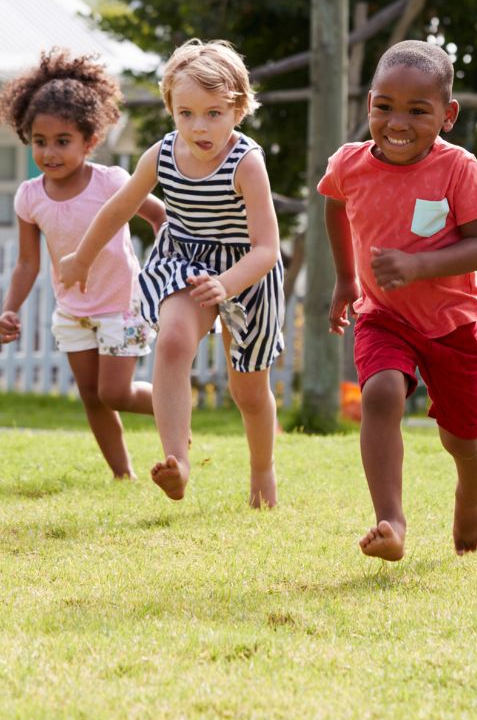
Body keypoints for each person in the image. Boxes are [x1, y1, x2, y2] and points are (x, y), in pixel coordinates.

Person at [58, 39, 284, 507]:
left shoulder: (247, 162)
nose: (198, 127)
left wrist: (228, 283)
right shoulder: (161, 155)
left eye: (214, 113)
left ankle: (262, 472)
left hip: (246, 272)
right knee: (174, 341)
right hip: (185, 260)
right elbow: (119, 207)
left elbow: (267, 248)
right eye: (186, 114)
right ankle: (176, 462)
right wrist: (82, 257)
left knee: (249, 392)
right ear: (171, 110)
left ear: (238, 109)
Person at [319, 40, 477, 561]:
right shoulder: (349, 164)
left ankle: (470, 498)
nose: (398, 122)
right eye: (384, 107)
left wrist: (417, 265)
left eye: (418, 111)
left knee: (462, 440)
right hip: (384, 316)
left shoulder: (458, 169)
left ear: (448, 115)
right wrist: (347, 279)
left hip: (451, 324)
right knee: (379, 395)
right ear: (369, 103)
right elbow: (334, 203)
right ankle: (390, 521)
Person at [0, 49, 164, 478]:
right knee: (92, 396)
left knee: (116, 392)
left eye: (62, 141)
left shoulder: (111, 181)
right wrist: (9, 309)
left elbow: (159, 215)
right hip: (72, 310)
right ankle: (121, 474)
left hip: (121, 305)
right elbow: (27, 264)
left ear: (89, 141)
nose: (49, 152)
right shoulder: (29, 197)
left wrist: (171, 264)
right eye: (39, 141)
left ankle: (172, 410)